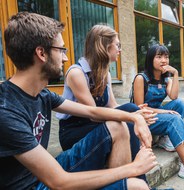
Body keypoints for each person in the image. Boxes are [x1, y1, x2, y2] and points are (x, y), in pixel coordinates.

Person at [0, 12, 157, 190]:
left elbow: (92, 111)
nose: (65, 58)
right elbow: (59, 182)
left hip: (41, 172)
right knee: (136, 185)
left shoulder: (42, 95)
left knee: (117, 126)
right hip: (33, 185)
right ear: (41, 53)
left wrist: (134, 118)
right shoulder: (6, 112)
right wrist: (133, 168)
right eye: (61, 50)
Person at [56, 24, 157, 163]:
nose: (119, 50)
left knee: (131, 108)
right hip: (74, 131)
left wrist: (135, 113)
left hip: (94, 124)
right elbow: (93, 114)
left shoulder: (105, 74)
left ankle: (135, 168)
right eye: (117, 45)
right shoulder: (76, 73)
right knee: (129, 115)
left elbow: (112, 105)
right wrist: (131, 116)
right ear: (105, 46)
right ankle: (136, 173)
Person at [131, 44, 184, 183]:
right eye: (159, 56)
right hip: (143, 120)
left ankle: (166, 139)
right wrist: (163, 110)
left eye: (166, 57)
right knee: (173, 119)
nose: (164, 60)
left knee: (180, 103)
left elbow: (174, 97)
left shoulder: (166, 79)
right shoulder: (141, 78)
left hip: (157, 116)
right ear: (150, 59)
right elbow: (139, 108)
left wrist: (175, 74)